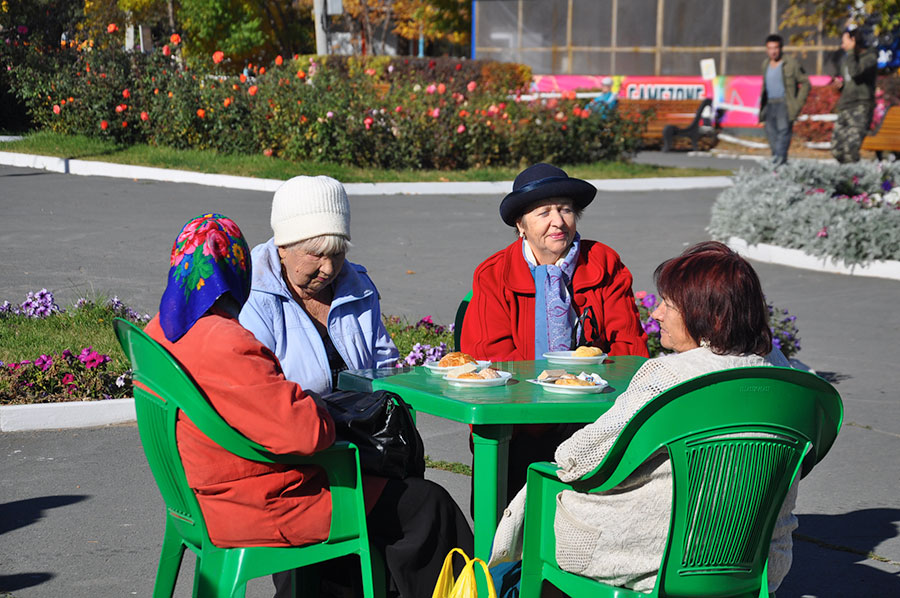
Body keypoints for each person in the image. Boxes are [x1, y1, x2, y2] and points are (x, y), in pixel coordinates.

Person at [146, 214, 472, 598]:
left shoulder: (161, 331)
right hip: (262, 502)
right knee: (428, 507)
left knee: (384, 497)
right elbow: (306, 433)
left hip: (201, 494)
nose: (328, 267)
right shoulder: (226, 341)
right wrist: (317, 406)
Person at [489, 241, 796, 594]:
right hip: (756, 560)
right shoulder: (786, 378)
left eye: (669, 304)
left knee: (513, 557)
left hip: (650, 560)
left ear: (706, 315)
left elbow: (576, 459)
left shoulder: (668, 376)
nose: (656, 314)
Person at [460, 162, 648, 503]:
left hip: (595, 414)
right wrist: (556, 386)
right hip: (519, 421)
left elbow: (630, 349)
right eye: (543, 212)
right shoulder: (494, 275)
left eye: (565, 209)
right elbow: (493, 358)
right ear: (521, 225)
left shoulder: (604, 263)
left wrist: (589, 393)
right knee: (513, 495)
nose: (558, 221)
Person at [239, 175, 398, 396]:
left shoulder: (358, 288)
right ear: (283, 247)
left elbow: (384, 365)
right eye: (316, 255)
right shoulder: (253, 294)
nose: (329, 268)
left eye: (337, 253)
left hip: (360, 422)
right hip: (291, 423)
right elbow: (256, 387)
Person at [758, 33, 811, 167]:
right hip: (769, 105)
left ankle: (778, 164)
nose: (773, 51)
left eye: (775, 48)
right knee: (772, 137)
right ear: (766, 49)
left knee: (783, 134)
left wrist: (798, 103)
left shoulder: (791, 64)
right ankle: (780, 166)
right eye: (770, 48)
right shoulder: (765, 64)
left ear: (781, 48)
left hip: (784, 104)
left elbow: (806, 83)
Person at [831, 24, 878, 163]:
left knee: (850, 149)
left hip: (860, 107)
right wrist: (840, 86)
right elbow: (850, 80)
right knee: (836, 149)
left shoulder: (870, 57)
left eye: (844, 41)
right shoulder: (847, 59)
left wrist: (851, 52)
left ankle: (855, 180)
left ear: (853, 41)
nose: (842, 45)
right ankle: (846, 176)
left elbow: (855, 73)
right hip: (845, 106)